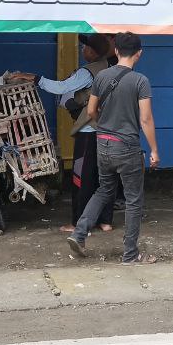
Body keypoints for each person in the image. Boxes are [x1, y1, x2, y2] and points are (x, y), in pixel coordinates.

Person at [67, 32, 159, 265]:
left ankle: (79, 233)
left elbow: (90, 112)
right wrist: (155, 150)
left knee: (104, 190)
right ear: (139, 53)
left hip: (103, 143)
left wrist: (105, 126)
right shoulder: (140, 81)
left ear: (116, 51)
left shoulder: (101, 76)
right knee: (134, 200)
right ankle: (130, 254)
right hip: (126, 146)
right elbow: (146, 119)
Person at [34, 34, 119, 233]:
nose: (82, 50)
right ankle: (105, 221)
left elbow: (61, 88)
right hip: (110, 131)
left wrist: (36, 78)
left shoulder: (88, 72)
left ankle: (77, 221)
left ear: (92, 51)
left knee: (82, 177)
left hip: (89, 132)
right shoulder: (114, 67)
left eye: (85, 47)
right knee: (105, 176)